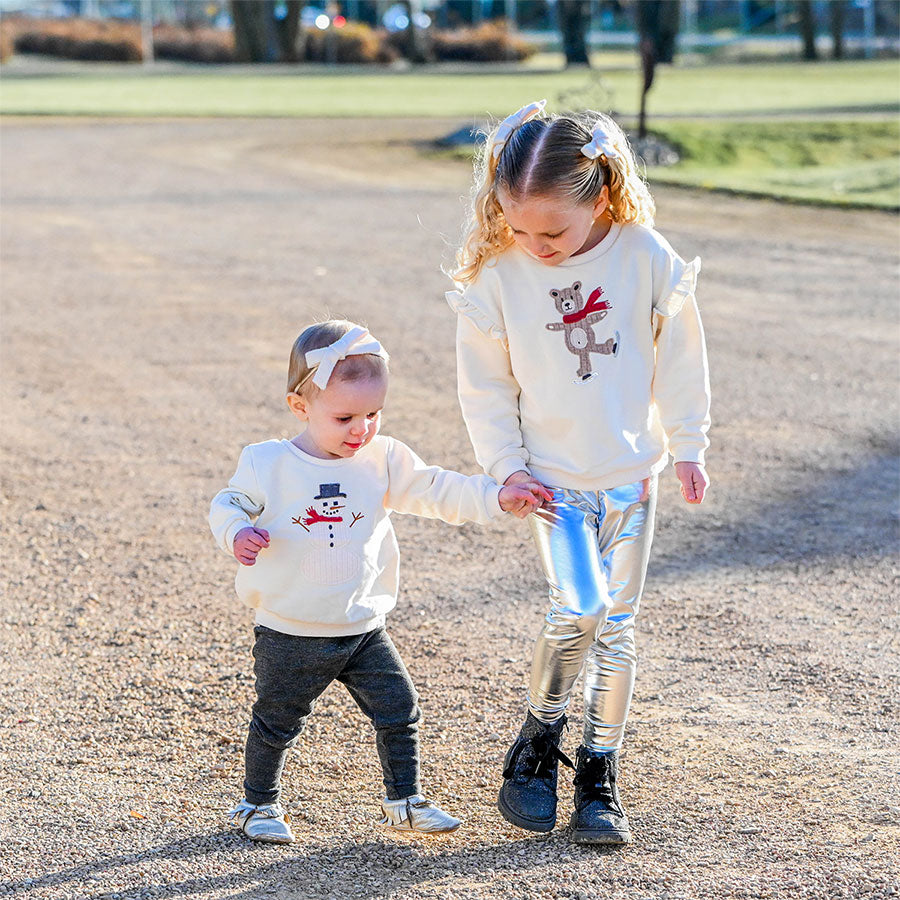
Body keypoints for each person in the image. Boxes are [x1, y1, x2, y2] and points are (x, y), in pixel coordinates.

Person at [446, 101, 711, 845]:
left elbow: (681, 359)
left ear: (598, 196)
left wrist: (688, 443)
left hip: (631, 477)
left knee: (619, 631)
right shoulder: (498, 278)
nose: (534, 245)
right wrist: (505, 467)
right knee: (580, 609)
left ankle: (599, 776)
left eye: (552, 231)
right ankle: (538, 740)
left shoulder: (644, 255)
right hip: (552, 484)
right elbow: (486, 390)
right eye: (516, 225)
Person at [209, 319, 545, 844]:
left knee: (398, 710)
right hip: (291, 628)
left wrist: (494, 495)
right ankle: (256, 805)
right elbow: (227, 503)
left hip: (364, 624)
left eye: (373, 413)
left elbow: (436, 489)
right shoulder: (268, 462)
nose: (360, 429)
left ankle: (404, 800)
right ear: (300, 407)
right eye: (344, 416)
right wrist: (236, 532)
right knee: (278, 719)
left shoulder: (382, 458)